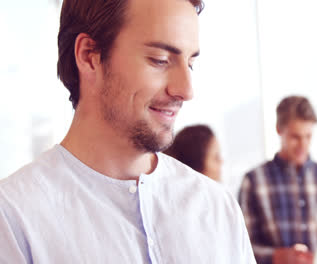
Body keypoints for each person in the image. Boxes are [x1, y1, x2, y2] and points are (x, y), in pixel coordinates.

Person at [0, 0, 255, 263]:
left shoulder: (217, 209)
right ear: (89, 56)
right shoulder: (14, 218)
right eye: (160, 60)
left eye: (189, 63)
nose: (186, 90)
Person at [238, 95, 317, 264]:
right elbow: (241, 246)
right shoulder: (254, 181)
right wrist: (276, 257)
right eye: (295, 137)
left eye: (308, 136)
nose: (303, 145)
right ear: (279, 129)